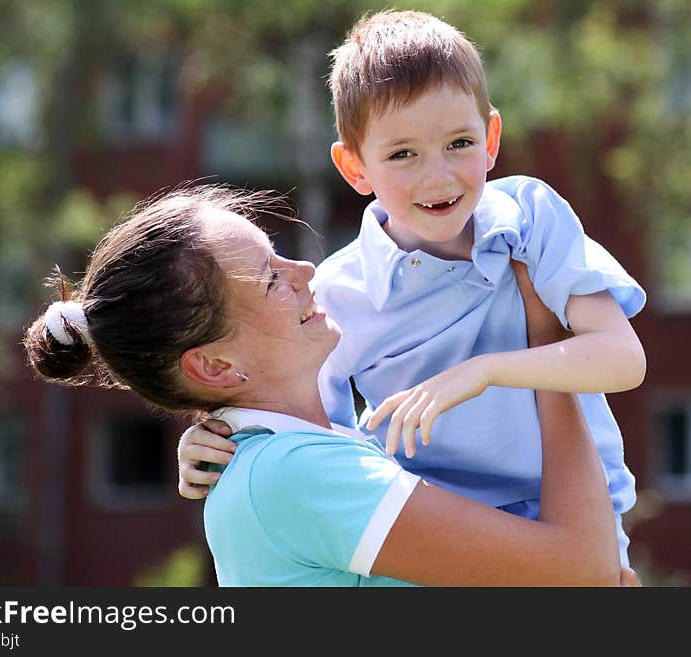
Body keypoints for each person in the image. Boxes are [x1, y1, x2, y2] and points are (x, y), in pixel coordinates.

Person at [177, 10, 646, 572]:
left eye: (459, 142)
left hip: (585, 523)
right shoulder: (336, 296)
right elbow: (310, 437)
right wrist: (213, 443)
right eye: (403, 154)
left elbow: (623, 360)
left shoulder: (531, 217)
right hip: (452, 549)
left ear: (492, 138)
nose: (438, 177)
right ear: (355, 167)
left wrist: (486, 370)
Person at [24, 185, 621, 586]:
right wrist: (543, 345)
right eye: (269, 279)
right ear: (213, 368)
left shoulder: (302, 459)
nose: (307, 271)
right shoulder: (297, 474)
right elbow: (583, 569)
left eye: (279, 255)